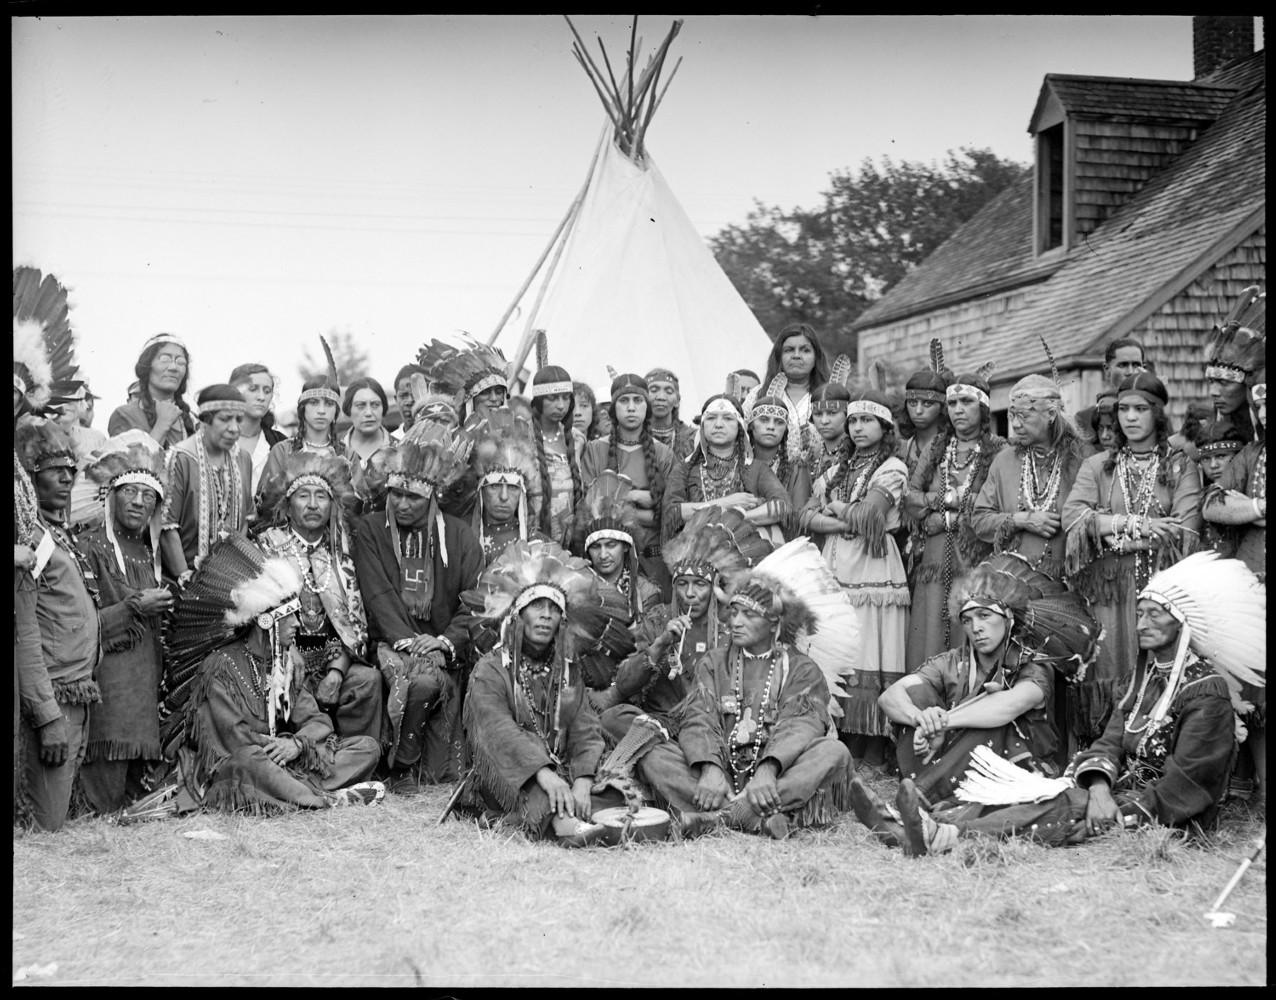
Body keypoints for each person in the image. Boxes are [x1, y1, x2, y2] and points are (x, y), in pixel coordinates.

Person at [853, 552, 1261, 856]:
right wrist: (1099, 784)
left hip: (1165, 810)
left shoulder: (1206, 692)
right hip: (1113, 790)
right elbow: (1110, 743)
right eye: (1139, 614)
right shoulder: (1147, 679)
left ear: (1184, 622)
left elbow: (1190, 781)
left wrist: (1122, 805)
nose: (1141, 625)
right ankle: (922, 826)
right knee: (1036, 798)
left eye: (1155, 615)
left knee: (1056, 802)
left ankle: (941, 833)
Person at [634, 548, 855, 839]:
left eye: (749, 615)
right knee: (653, 753)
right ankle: (753, 817)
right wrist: (710, 768)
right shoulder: (714, 661)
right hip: (721, 773)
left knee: (833, 753)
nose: (735, 622)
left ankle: (720, 818)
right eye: (734, 612)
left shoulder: (801, 667)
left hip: (776, 776)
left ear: (774, 624)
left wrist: (769, 768)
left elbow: (801, 726)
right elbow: (700, 717)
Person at [165, 535, 383, 813]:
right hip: (244, 763)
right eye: (288, 618)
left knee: (366, 747)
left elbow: (317, 720)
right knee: (250, 762)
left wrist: (295, 744)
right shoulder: (219, 666)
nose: (297, 626)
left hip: (285, 759)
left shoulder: (283, 665)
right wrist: (277, 750)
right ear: (265, 621)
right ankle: (326, 799)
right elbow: (233, 741)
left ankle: (292, 791)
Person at [876, 553, 1094, 802]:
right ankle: (929, 790)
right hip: (953, 760)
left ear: (1008, 618)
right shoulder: (952, 660)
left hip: (1016, 768)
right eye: (967, 620)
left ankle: (921, 797)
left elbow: (1010, 705)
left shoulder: (1033, 663)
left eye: (985, 616)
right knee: (915, 695)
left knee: (992, 722)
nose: (975, 628)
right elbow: (890, 696)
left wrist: (943, 722)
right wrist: (921, 719)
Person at [458, 539, 632, 846]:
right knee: (536, 787)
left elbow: (585, 727)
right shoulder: (490, 669)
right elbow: (498, 732)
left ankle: (552, 813)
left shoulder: (567, 669)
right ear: (518, 615)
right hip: (512, 773)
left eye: (554, 609)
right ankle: (560, 822)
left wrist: (582, 779)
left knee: (613, 792)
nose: (546, 615)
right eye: (537, 606)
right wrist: (543, 773)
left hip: (560, 770)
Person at [1063, 371, 1202, 750]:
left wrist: (1109, 532)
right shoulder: (1098, 466)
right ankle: (1102, 756)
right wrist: (1140, 525)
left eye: (1140, 409)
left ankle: (1152, 756)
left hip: (1160, 590)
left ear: (1157, 414)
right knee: (1108, 667)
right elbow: (1074, 518)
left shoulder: (1180, 467)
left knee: (1157, 666)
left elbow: (1186, 531)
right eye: (1124, 409)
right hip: (1108, 590)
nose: (1130, 417)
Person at [351, 422, 483, 794]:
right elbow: (376, 596)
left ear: (433, 498)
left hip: (442, 645)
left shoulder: (458, 535)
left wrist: (444, 641)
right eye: (396, 495)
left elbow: (474, 600)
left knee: (426, 681)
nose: (403, 505)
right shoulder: (371, 529)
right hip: (390, 643)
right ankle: (398, 766)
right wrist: (409, 643)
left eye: (414, 498)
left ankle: (405, 764)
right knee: (415, 678)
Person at [799, 387, 909, 767]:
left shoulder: (892, 468)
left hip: (874, 569)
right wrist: (841, 513)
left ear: (885, 425)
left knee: (871, 648)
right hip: (836, 566)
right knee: (839, 647)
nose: (859, 427)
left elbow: (871, 516)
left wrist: (834, 507)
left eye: (868, 421)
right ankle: (841, 739)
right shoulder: (835, 470)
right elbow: (804, 516)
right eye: (855, 421)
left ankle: (875, 746)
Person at [592, 505, 769, 739]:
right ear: (674, 587)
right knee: (613, 719)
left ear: (714, 588)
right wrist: (660, 644)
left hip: (714, 723)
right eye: (683, 584)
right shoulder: (659, 618)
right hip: (662, 720)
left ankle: (674, 758)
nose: (690, 594)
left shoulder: (730, 625)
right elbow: (625, 683)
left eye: (700, 584)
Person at [74, 431, 175, 814]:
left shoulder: (148, 552)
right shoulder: (90, 547)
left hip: (144, 676)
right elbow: (80, 625)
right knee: (107, 767)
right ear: (110, 495)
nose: (138, 501)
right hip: (107, 678)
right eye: (130, 491)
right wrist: (134, 606)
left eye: (148, 495)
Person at [256, 451, 384, 743]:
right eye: (303, 496)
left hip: (331, 654)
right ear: (287, 506)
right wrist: (287, 651)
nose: (313, 504)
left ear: (333, 505)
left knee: (368, 681)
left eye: (321, 497)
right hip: (280, 657)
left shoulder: (343, 554)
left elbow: (354, 625)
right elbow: (257, 615)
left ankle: (355, 755)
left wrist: (337, 671)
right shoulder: (267, 547)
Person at [13, 417, 102, 832]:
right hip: (52, 694)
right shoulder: (30, 539)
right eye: (53, 471)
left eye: (71, 471)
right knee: (44, 828)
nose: (66, 479)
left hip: (78, 690)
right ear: (30, 477)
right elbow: (25, 634)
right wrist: (46, 715)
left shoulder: (61, 534)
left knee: (56, 823)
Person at [903, 371, 1005, 672]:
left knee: (971, 625)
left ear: (983, 407)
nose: (958, 409)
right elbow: (910, 498)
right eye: (952, 402)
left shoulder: (999, 449)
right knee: (930, 631)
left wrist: (941, 515)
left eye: (966, 401)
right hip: (933, 562)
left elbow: (993, 506)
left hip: (974, 559)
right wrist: (950, 501)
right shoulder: (937, 446)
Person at [1202, 368, 1266, 802]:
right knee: (1258, 692)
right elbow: (1213, 505)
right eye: (1261, 403)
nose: (1264, 410)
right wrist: (1259, 505)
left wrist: (1250, 508)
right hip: (1254, 586)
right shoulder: (1252, 455)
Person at [971, 373, 1088, 584]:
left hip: (1071, 582)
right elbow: (980, 521)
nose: (1015, 424)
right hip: (1013, 582)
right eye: (1012, 416)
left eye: (1024, 416)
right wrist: (1021, 520)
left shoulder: (1082, 459)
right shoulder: (1004, 461)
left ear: (1051, 414)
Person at [581, 373, 675, 590]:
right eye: (624, 401)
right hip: (607, 562)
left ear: (647, 407)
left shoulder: (663, 454)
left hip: (654, 562)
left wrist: (628, 499)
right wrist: (648, 503)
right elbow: (591, 510)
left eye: (637, 400)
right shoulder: (595, 450)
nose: (631, 407)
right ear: (613, 409)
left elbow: (671, 516)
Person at [662, 394, 791, 552]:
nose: (718, 425)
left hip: (742, 559)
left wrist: (736, 518)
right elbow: (672, 512)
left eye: (728, 418)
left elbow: (782, 507)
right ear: (702, 426)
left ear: (740, 427)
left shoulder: (755, 468)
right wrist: (727, 504)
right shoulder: (685, 468)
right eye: (711, 418)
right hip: (694, 560)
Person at [159, 383, 255, 585]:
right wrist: (187, 579)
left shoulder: (243, 459)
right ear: (205, 421)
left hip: (230, 579)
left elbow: (244, 521)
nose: (234, 428)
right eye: (225, 419)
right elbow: (167, 528)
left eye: (239, 420)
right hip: (184, 579)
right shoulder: (181, 458)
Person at [576, 470, 663, 646]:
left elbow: (652, 648)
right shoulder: (578, 589)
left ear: (625, 546)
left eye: (610, 545)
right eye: (595, 547)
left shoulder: (646, 593)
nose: (603, 555)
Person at [744, 322, 831, 473]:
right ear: (779, 356)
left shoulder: (830, 396)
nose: (796, 355)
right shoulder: (757, 395)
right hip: (764, 479)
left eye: (805, 350)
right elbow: (741, 436)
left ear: (816, 356)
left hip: (819, 482)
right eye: (789, 350)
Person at [468, 406, 548, 568]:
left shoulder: (537, 543)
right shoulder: (462, 539)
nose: (503, 497)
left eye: (512, 488)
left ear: (524, 493)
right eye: (495, 486)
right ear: (480, 490)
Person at [257, 370, 346, 514]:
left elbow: (355, 505)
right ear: (302, 409)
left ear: (336, 412)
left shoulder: (346, 454)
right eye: (314, 403)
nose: (321, 410)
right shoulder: (282, 451)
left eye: (329, 404)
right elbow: (268, 500)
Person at [527, 365, 585, 549]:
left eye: (566, 397)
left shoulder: (577, 439)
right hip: (532, 540)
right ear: (538, 400)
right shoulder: (521, 437)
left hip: (571, 541)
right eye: (552, 398)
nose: (561, 405)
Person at [108, 334, 197, 449]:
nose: (174, 367)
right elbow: (127, 465)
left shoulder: (194, 421)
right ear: (147, 366)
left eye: (181, 362)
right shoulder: (125, 415)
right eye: (165, 359)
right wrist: (162, 424)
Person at [745, 393, 811, 541]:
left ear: (786, 430)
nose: (771, 427)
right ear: (751, 426)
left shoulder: (797, 468)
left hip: (784, 546)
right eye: (764, 420)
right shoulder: (740, 463)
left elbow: (798, 518)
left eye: (779, 422)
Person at [1203, 286, 1263, 443]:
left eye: (1224, 382)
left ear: (1249, 383)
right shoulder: (1205, 435)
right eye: (1211, 381)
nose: (1213, 392)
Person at [1075, 338, 1147, 446]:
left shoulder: (1153, 414)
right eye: (1123, 365)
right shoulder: (1086, 418)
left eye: (1136, 365)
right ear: (1107, 369)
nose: (1130, 372)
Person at [342, 376, 397, 515]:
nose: (368, 413)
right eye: (360, 406)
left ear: (383, 408)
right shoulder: (334, 452)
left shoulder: (400, 450)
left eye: (375, 405)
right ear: (348, 409)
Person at [228, 363, 285, 495]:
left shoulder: (281, 444)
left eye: (267, 391)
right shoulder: (212, 440)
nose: (261, 397)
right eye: (253, 389)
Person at [1195, 417, 1247, 556]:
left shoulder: (1253, 488)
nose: (1213, 465)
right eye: (1206, 459)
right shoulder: (1197, 495)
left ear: (1238, 456)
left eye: (1221, 456)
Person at [897, 350, 952, 477]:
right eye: (912, 403)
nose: (918, 410)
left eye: (927, 403)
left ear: (942, 407)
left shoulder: (953, 448)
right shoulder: (899, 449)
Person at [806, 382, 852, 486]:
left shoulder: (857, 453)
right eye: (818, 414)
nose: (824, 421)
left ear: (847, 414)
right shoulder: (812, 454)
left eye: (832, 413)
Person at [645, 367, 697, 459]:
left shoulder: (693, 438)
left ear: (677, 401)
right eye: (653, 390)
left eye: (669, 392)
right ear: (642, 398)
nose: (661, 397)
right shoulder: (631, 435)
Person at [393, 363, 428, 434]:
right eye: (403, 395)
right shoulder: (390, 442)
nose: (410, 401)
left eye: (415, 394)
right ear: (396, 400)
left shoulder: (442, 437)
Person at [572, 381, 602, 446]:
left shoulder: (602, 447)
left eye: (584, 405)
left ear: (593, 410)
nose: (577, 413)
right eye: (571, 407)